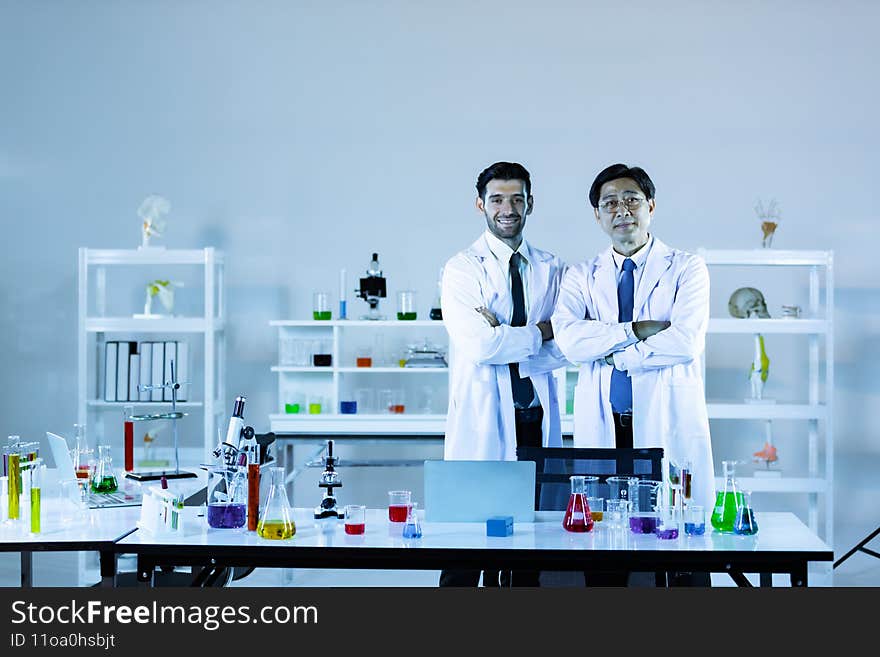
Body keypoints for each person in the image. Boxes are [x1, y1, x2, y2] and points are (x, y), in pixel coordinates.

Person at [552, 163, 715, 586]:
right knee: (604, 547)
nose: (621, 209)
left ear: (651, 206)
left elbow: (684, 340)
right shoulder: (580, 275)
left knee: (679, 546)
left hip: (665, 424)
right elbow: (569, 341)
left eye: (631, 200)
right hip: (604, 428)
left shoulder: (686, 268)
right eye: (610, 203)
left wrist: (614, 355)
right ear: (597, 215)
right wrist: (636, 331)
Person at [439, 161, 568, 587]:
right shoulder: (462, 268)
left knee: (529, 549)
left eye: (517, 198)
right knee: (466, 549)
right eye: (497, 199)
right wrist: (539, 331)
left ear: (531, 203)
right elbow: (479, 346)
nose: (507, 208)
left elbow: (566, 344)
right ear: (480, 205)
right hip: (483, 421)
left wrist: (507, 334)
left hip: (533, 417)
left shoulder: (552, 268)